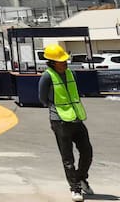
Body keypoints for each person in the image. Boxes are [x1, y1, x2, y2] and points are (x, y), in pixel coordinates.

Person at [38, 44, 94, 202]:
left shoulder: (71, 73)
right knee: (68, 158)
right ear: (51, 62)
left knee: (87, 152)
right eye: (60, 61)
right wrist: (57, 109)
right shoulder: (47, 77)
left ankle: (81, 178)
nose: (64, 63)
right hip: (60, 121)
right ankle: (75, 189)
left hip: (76, 118)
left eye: (65, 61)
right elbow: (42, 99)